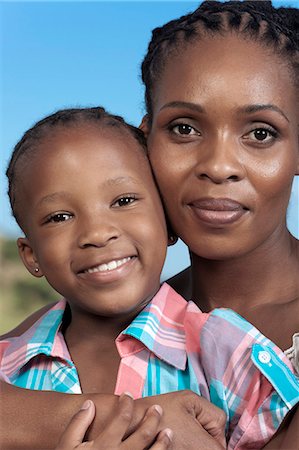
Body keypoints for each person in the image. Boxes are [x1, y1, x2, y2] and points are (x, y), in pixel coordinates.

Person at [1, 0, 298, 448]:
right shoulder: (105, 310)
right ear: (144, 141)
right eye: (183, 128)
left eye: (260, 133)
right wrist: (132, 418)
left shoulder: (239, 356)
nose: (219, 166)